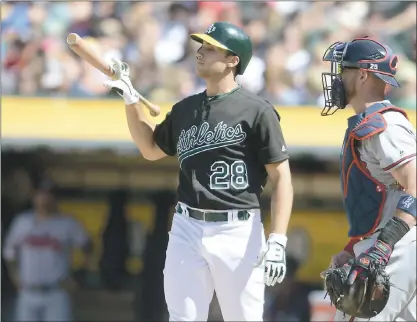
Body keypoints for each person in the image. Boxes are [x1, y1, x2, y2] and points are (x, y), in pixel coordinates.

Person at [104, 21, 294, 321]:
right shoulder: (185, 109)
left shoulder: (257, 110)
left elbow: (282, 178)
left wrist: (278, 240)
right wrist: (130, 100)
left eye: (210, 48)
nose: (200, 52)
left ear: (234, 60)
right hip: (187, 225)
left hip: (238, 228)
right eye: (201, 46)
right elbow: (150, 149)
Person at [320, 37, 416, 321]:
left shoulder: (383, 125)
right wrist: (352, 248)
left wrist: (383, 247)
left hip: (400, 246)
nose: (338, 78)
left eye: (343, 70)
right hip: (397, 244)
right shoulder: (370, 122)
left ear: (362, 75)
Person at [3, 178, 92, 322]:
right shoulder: (22, 222)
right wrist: (14, 276)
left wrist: (79, 275)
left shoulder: (67, 223)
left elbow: (87, 246)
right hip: (28, 291)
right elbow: (9, 253)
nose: (44, 199)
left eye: (49, 195)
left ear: (55, 198)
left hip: (56, 292)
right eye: (41, 194)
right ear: (34, 197)